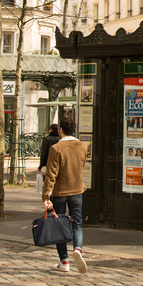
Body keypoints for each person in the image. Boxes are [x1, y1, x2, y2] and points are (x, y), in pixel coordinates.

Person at [42, 116, 89, 274]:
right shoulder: (83, 146)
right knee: (77, 224)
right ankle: (78, 249)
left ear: (60, 130)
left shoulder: (56, 149)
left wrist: (46, 196)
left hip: (60, 192)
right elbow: (81, 165)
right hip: (77, 190)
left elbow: (51, 175)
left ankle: (64, 261)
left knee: (59, 226)